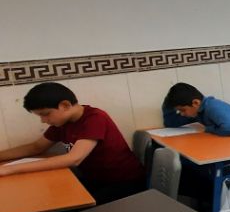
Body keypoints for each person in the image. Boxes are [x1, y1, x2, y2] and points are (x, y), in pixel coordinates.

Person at [0, 82, 145, 204]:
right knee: (47, 200)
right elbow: (36, 147)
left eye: (45, 114)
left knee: (63, 209)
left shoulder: (95, 118)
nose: (43, 120)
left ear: (65, 105)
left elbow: (74, 158)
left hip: (124, 183)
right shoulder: (62, 122)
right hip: (96, 181)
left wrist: (10, 169)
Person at [162, 83, 230, 141]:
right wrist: (168, 103)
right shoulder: (196, 111)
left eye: (182, 110)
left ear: (195, 103)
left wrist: (207, 129)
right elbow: (172, 123)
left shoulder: (213, 107)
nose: (182, 114)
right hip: (225, 143)